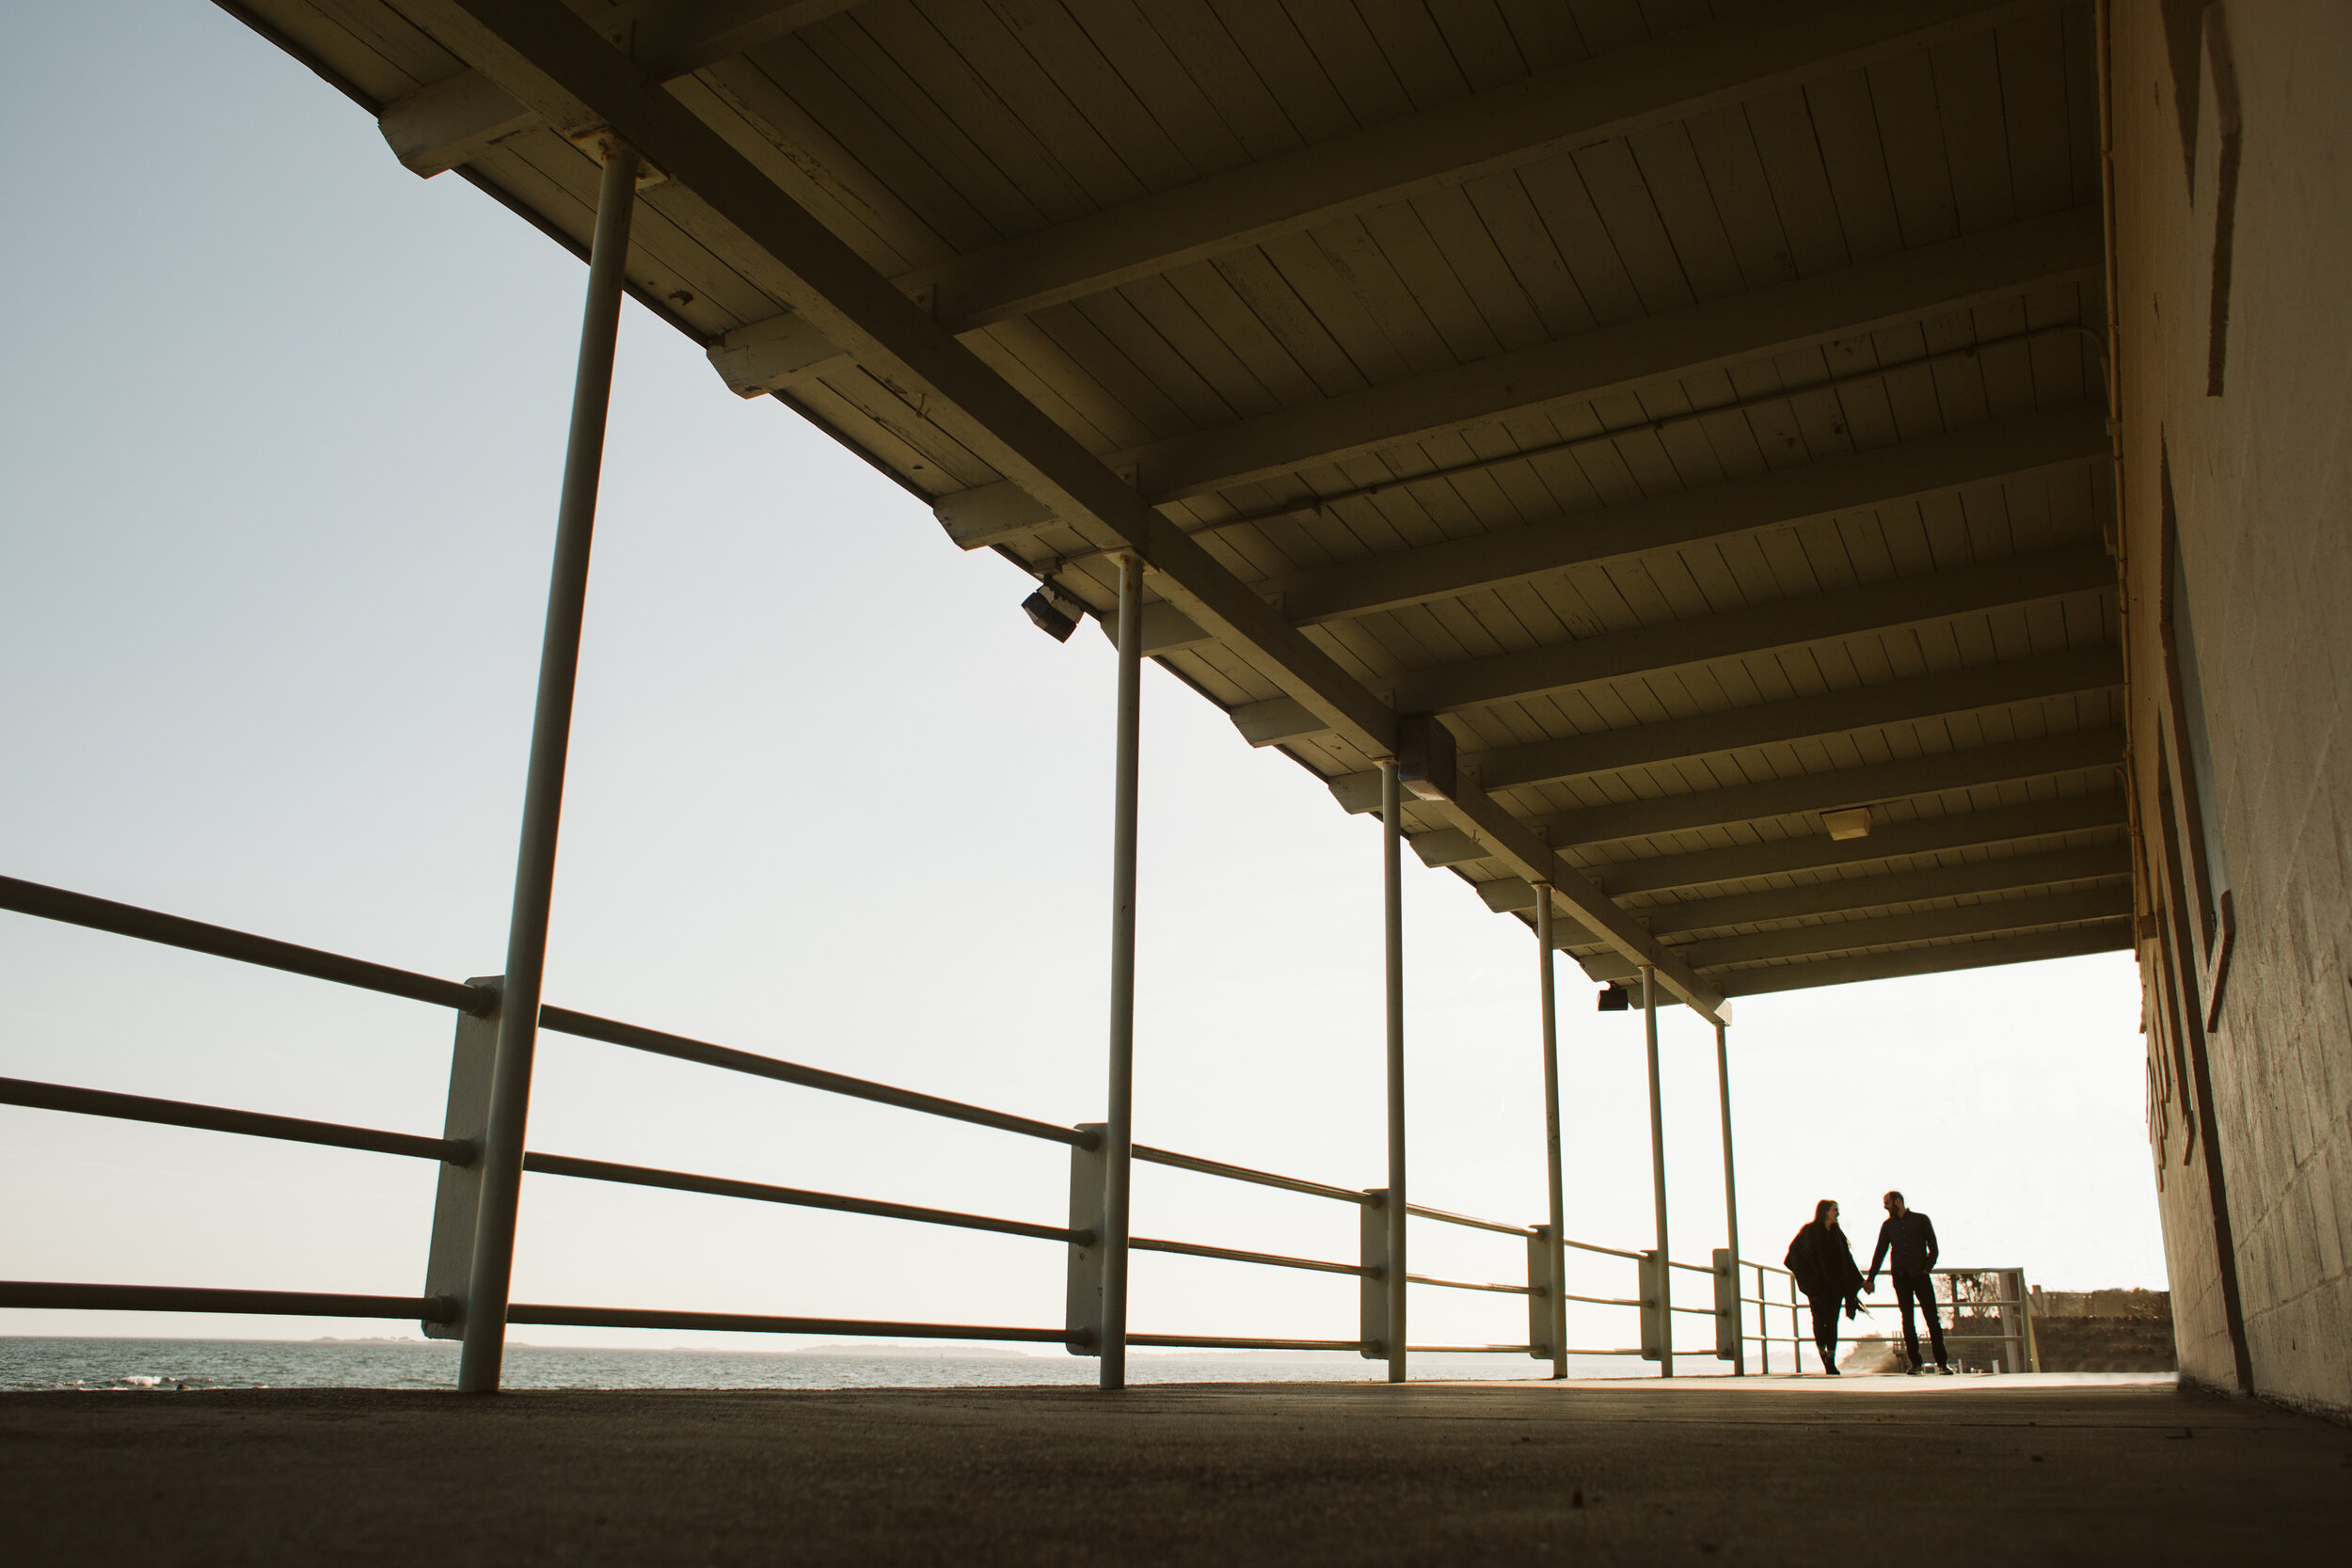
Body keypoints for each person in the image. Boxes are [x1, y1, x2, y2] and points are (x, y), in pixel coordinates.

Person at [1866, 1190, 1950, 1375]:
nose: (1885, 1207)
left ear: (1898, 1201)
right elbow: (1880, 1253)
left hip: (1921, 1276)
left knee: (1932, 1319)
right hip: (1901, 1278)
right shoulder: (1888, 1226)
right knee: (1907, 1320)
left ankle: (1942, 1364)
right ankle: (1916, 1364)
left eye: (1887, 1203)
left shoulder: (1921, 1220)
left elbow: (1934, 1248)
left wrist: (1926, 1268)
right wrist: (1871, 1279)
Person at [1783, 1199, 1864, 1374]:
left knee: (1833, 1322)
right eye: (1835, 1210)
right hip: (1817, 1288)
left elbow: (1847, 1260)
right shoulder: (1809, 1231)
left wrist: (1859, 1281)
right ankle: (1823, 1356)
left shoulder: (1837, 1234)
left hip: (1836, 1286)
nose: (1838, 1213)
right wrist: (1809, 1281)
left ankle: (1831, 1360)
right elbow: (1792, 1258)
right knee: (1820, 1321)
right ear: (1825, 1211)